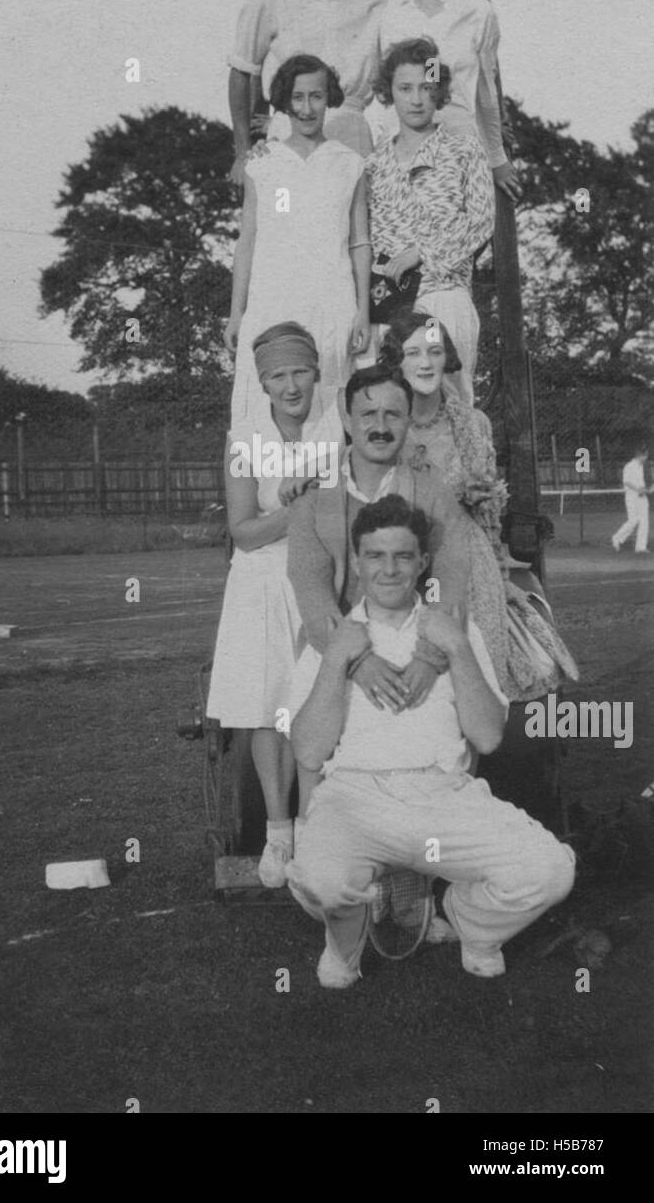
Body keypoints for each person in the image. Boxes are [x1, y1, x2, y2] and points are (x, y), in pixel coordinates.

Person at [286, 495, 576, 989]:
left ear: (422, 563)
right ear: (357, 563)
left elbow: (486, 737)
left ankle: (472, 925)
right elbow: (310, 752)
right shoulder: (332, 637)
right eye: (376, 556)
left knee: (549, 870)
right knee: (319, 879)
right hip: (355, 797)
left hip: (443, 794)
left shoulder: (453, 632)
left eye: (403, 556)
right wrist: (338, 661)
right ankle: (345, 944)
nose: (390, 569)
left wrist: (458, 648)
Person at [381, 310, 579, 699]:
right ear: (396, 362)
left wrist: (499, 571)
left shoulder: (474, 424)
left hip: (470, 560)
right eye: (414, 352)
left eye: (435, 351)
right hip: (403, 560)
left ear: (447, 358)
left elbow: (488, 510)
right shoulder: (384, 426)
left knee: (477, 676)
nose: (425, 363)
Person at [207, 323, 341, 888]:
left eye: (300, 372)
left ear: (316, 374)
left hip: (317, 574)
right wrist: (305, 507)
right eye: (278, 376)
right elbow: (243, 531)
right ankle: (278, 832)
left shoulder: (338, 426)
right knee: (267, 710)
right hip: (260, 581)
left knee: (315, 702)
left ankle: (315, 830)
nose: (291, 385)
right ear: (262, 384)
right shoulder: (244, 439)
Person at [285, 364, 469, 754]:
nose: (380, 427)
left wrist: (427, 658)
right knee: (314, 743)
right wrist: (357, 662)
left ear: (407, 422)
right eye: (368, 414)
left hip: (416, 644)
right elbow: (313, 593)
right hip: (339, 645)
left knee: (454, 720)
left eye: (393, 415)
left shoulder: (434, 495)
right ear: (348, 422)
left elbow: (448, 582)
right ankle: (308, 812)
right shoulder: (314, 501)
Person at [225, 54, 371, 431]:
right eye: (298, 97)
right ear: (285, 102)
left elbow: (359, 242)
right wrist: (236, 313)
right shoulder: (262, 162)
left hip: (332, 305)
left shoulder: (350, 163)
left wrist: (363, 311)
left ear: (329, 98)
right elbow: (248, 241)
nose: (307, 108)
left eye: (317, 96)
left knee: (330, 412)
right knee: (262, 419)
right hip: (272, 303)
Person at [366, 37, 494, 403]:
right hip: (390, 306)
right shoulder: (374, 163)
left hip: (444, 296)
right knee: (393, 408)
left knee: (452, 403)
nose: (416, 99)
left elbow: (481, 221)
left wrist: (421, 252)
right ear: (389, 92)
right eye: (405, 88)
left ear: (438, 92)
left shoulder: (463, 148)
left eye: (426, 87)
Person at [228, 0, 383, 183]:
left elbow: (415, 62)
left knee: (354, 224)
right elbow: (241, 71)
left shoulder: (373, 5)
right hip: (289, 130)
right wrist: (241, 152)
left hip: (352, 133)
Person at [375, 0, 522, 201]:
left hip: (460, 143)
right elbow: (386, 94)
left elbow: (485, 89)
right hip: (404, 149)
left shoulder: (477, 11)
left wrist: (496, 157)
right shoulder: (391, 16)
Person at [612, 444, 651, 555]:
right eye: (646, 455)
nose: (647, 458)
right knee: (633, 521)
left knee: (644, 521)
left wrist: (645, 490)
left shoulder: (640, 466)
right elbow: (627, 482)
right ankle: (617, 538)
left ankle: (641, 547)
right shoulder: (630, 466)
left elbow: (640, 483)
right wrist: (638, 489)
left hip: (642, 497)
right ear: (641, 455)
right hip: (632, 497)